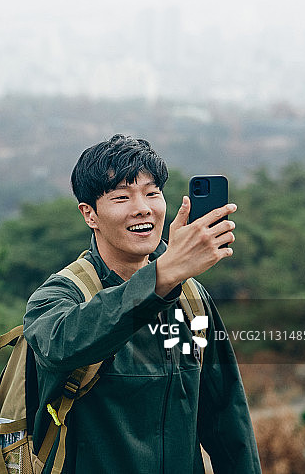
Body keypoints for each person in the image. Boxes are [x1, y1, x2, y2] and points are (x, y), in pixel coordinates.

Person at [23, 134, 261, 473]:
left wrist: (168, 277)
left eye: (152, 193)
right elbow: (61, 344)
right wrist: (161, 277)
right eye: (122, 197)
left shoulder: (190, 299)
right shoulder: (61, 295)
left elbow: (228, 421)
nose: (142, 208)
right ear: (90, 214)